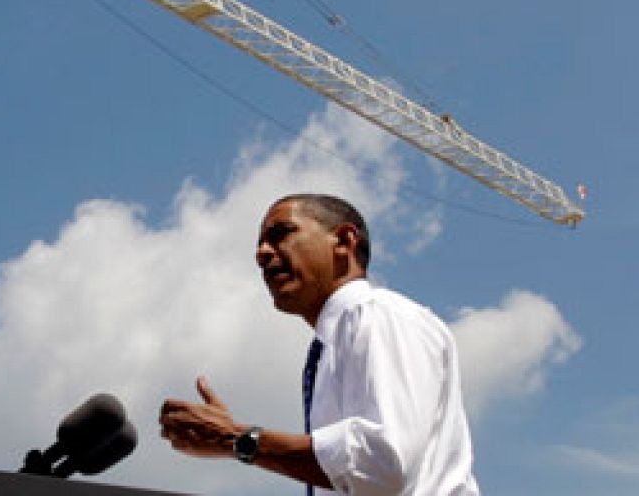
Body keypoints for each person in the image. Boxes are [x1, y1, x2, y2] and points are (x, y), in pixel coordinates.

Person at [157, 194, 480, 495]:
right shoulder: (333, 344)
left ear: (344, 240)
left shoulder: (377, 314)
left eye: (281, 233)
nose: (262, 254)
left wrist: (236, 440)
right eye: (259, 244)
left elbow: (382, 464)